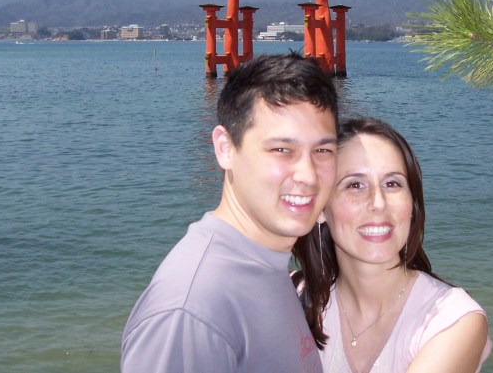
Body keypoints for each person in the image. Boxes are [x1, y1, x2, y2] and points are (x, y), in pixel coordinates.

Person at [122, 52, 339, 372]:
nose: (308, 174)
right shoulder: (192, 310)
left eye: (322, 150)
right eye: (282, 150)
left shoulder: (266, 264)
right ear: (225, 148)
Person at [293, 117, 491, 373]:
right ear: (320, 208)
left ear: (412, 203)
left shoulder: (453, 320)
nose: (378, 202)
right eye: (355, 184)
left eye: (392, 183)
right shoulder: (291, 298)